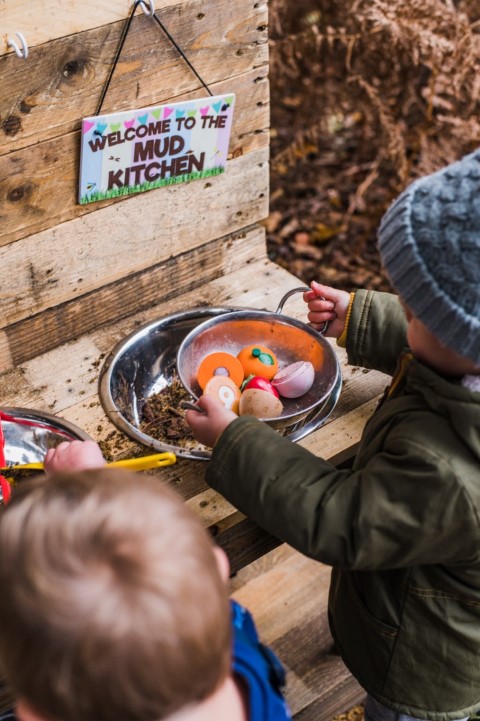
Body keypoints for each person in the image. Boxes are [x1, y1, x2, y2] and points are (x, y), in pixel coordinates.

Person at [185, 148, 480, 721]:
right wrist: (363, 318)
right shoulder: (463, 368)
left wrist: (235, 439)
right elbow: (439, 340)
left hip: (423, 670)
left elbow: (338, 516)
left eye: (414, 312)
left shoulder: (451, 477)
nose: (407, 315)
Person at [0, 440, 291, 721]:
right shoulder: (212, 623)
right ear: (217, 569)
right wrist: (94, 480)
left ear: (35, 715)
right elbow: (128, 557)